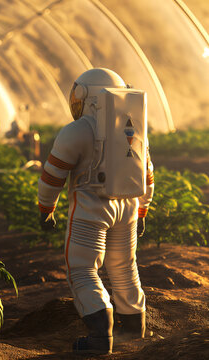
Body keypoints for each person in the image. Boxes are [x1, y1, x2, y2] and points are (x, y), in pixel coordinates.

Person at [37, 68, 154, 354]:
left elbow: (53, 174)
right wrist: (142, 210)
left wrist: (46, 207)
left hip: (91, 206)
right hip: (126, 206)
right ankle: (133, 324)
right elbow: (147, 175)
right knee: (124, 266)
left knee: (82, 267)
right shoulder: (134, 128)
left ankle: (101, 334)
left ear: (87, 97)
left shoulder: (78, 130)